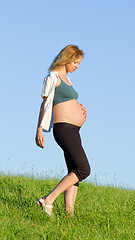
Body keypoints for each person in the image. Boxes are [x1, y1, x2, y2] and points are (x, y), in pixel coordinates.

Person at [35, 45, 91, 216]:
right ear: (67, 59)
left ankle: (69, 215)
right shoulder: (53, 77)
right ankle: (48, 200)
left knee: (74, 172)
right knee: (84, 169)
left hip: (74, 130)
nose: (77, 66)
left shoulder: (67, 78)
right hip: (64, 129)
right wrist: (39, 128)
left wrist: (79, 108)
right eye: (75, 62)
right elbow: (44, 104)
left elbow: (66, 101)